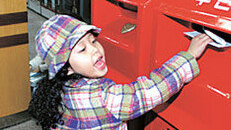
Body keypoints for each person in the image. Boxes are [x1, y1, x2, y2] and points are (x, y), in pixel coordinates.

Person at [28, 15, 212, 130]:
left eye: (92, 41)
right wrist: (188, 56)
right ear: (66, 68)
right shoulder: (104, 96)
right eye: (82, 50)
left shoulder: (58, 91)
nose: (95, 50)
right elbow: (151, 91)